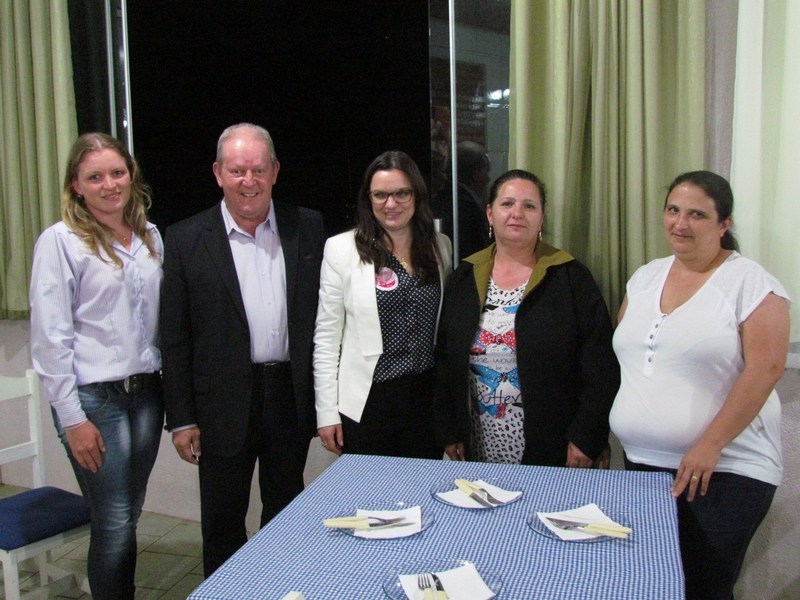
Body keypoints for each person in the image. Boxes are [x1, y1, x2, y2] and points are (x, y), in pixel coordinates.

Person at [609, 171, 790, 600]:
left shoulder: (751, 283)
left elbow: (766, 369)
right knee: (651, 585)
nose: (680, 223)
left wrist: (710, 444)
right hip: (643, 464)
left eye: (697, 214)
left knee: (702, 588)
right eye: (673, 210)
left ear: (724, 224)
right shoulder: (646, 277)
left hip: (724, 472)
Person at [159, 123, 324, 576]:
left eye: (257, 169)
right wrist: (182, 418)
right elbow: (174, 337)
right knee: (222, 520)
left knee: (287, 513)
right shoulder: (185, 238)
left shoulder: (307, 227)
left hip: (288, 396)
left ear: (275, 172)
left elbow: (324, 321)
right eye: (236, 170)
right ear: (218, 173)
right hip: (221, 403)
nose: (248, 181)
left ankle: (277, 585)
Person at [30, 132, 164, 600]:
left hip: (145, 392)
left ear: (131, 175)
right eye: (95, 177)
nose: (109, 185)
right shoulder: (60, 242)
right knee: (113, 520)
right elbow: (50, 337)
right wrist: (72, 419)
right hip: (93, 399)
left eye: (117, 172)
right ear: (76, 186)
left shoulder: (150, 236)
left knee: (128, 513)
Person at [435, 169, 619, 466]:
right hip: (479, 445)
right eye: (507, 204)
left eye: (529, 206)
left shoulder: (570, 277)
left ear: (541, 217)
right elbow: (444, 360)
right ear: (490, 213)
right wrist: (449, 430)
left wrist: (586, 437)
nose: (517, 213)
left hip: (556, 448)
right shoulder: (465, 277)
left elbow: (600, 367)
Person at [315, 151, 453, 458]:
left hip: (425, 401)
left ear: (417, 195)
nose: (391, 204)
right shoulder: (342, 250)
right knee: (371, 489)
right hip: (368, 401)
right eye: (380, 195)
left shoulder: (440, 246)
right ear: (369, 199)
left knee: (422, 485)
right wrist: (326, 412)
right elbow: (327, 338)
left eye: (401, 193)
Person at [435, 141, 492, 259]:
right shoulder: (465, 207)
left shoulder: (447, 198)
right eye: (486, 171)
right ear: (476, 173)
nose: (488, 179)